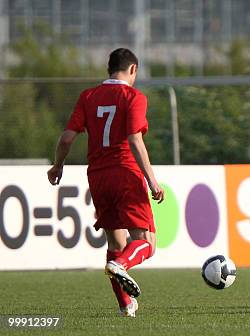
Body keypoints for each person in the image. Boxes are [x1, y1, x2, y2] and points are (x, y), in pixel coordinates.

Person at [47, 48, 164, 318]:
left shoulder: (88, 96)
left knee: (115, 241)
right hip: (125, 173)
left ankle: (126, 306)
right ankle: (122, 266)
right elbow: (135, 139)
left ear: (109, 68)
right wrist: (152, 181)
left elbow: (66, 138)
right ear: (133, 70)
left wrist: (58, 165)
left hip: (98, 176)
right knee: (147, 242)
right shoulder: (134, 96)